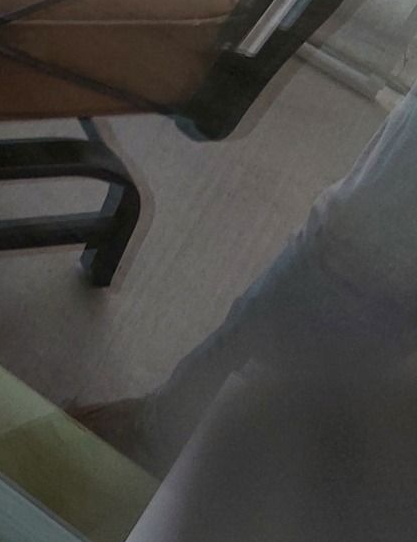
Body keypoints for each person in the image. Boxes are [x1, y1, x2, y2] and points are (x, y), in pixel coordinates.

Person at [91, 83, 417, 469]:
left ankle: (158, 441)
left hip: (365, 260)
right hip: (367, 260)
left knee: (272, 346)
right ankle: (164, 433)